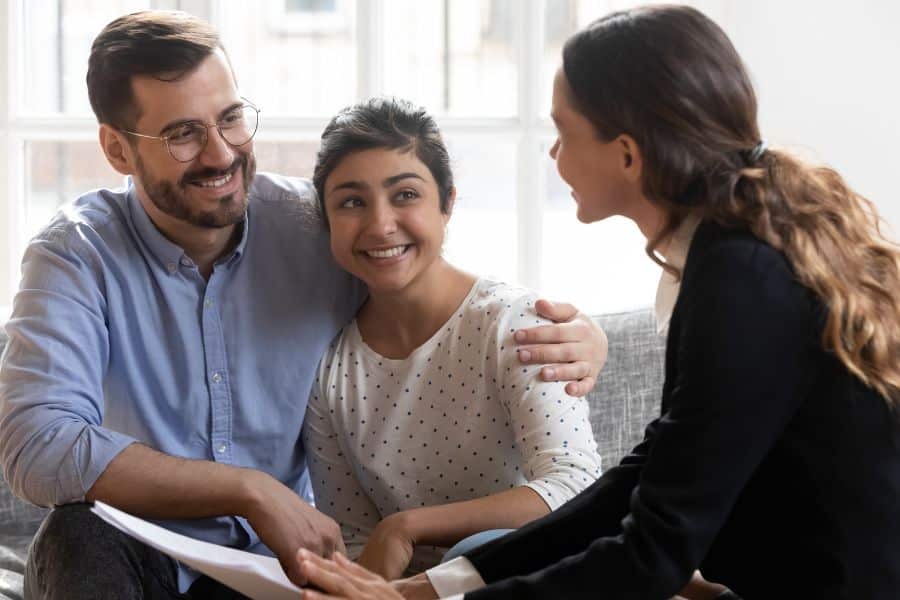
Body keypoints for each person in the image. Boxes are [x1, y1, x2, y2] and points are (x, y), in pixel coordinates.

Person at [295, 5, 900, 599]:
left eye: (562, 132)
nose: (552, 156)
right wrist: (431, 589)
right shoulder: (729, 254)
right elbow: (633, 486)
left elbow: (652, 556)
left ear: (628, 154)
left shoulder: (741, 277)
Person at [0, 10, 610, 600]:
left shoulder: (316, 227)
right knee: (75, 532)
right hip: (139, 552)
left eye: (230, 118)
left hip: (280, 572)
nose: (220, 154)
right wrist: (249, 490)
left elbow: (422, 274)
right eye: (182, 133)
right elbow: (38, 445)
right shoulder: (76, 253)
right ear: (116, 149)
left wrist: (582, 332)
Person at [301, 98, 604, 580]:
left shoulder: (514, 324)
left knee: (485, 544)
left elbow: (575, 486)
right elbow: (355, 539)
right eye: (352, 202)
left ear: (447, 204)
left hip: (526, 577)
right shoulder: (330, 371)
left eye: (404, 195)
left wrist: (407, 528)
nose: (380, 224)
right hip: (407, 596)